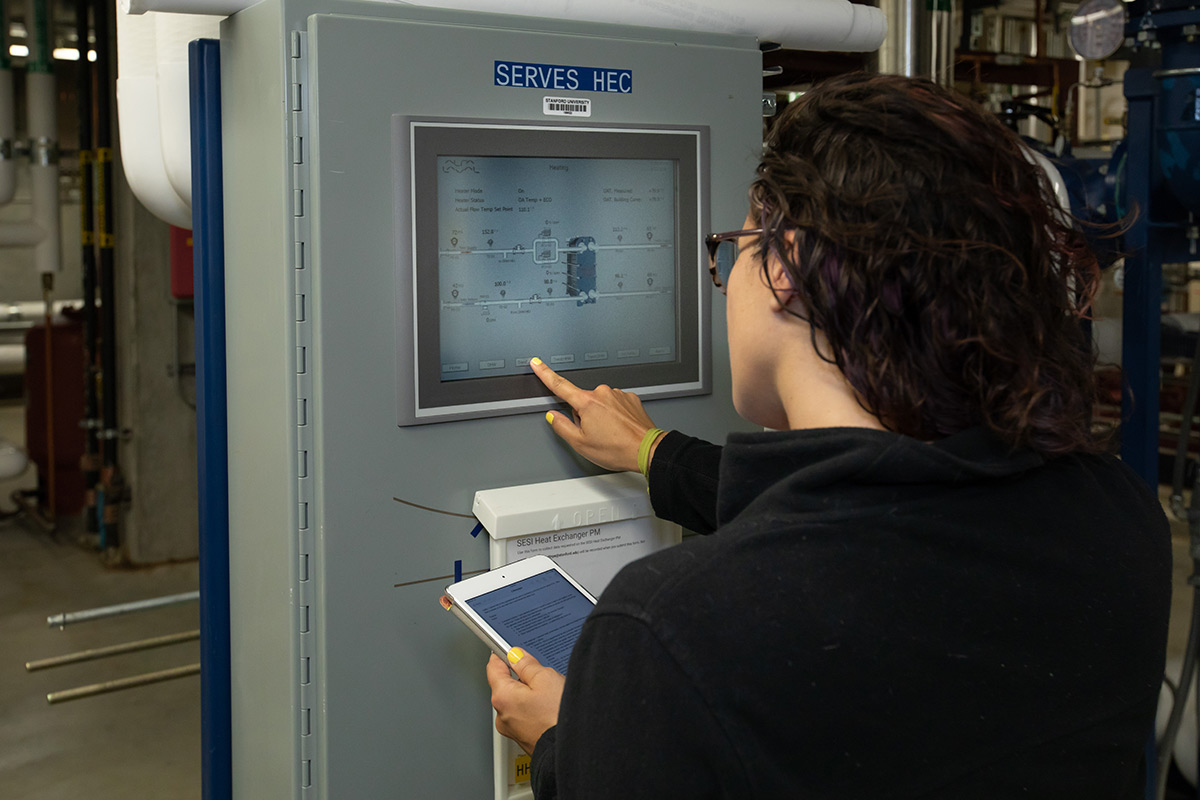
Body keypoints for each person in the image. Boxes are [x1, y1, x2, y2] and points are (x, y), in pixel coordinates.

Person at [485, 73, 1172, 799]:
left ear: (783, 266)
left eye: (738, 247)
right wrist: (655, 454)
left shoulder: (669, 632)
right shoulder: (1117, 520)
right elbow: (879, 524)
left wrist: (577, 743)